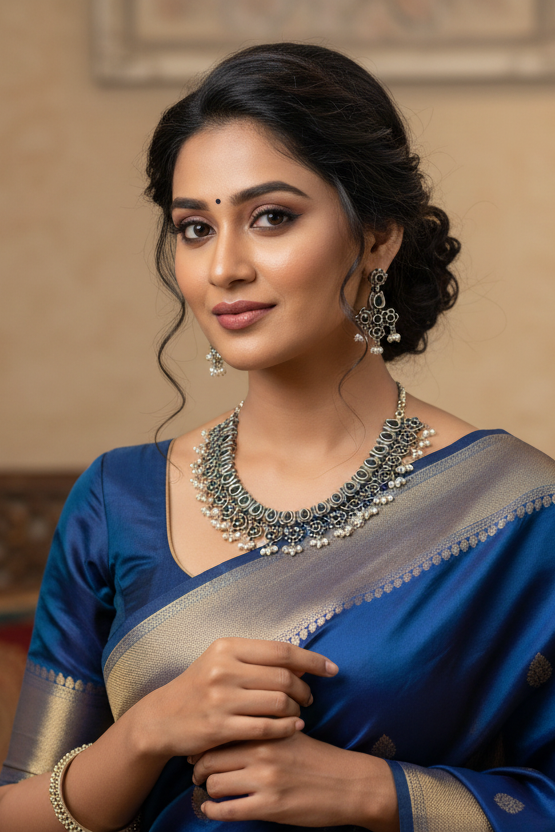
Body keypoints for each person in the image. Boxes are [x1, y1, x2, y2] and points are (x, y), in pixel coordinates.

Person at [1, 41, 554, 832]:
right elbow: (15, 808)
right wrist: (145, 733)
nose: (223, 266)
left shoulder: (517, 510)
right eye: (194, 228)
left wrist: (376, 793)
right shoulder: (116, 499)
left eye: (271, 218)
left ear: (376, 236)